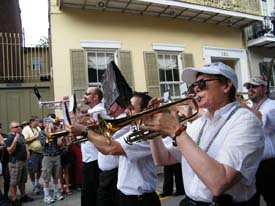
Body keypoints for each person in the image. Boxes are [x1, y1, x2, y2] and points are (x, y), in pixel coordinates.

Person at [143, 62, 264, 206]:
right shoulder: (200, 123)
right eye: (194, 85)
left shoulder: (246, 121)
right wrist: (153, 130)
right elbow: (164, 159)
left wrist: (177, 131)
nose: (196, 89)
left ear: (226, 85)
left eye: (201, 84)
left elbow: (219, 183)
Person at [68, 92, 161, 206]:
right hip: (126, 195)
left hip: (139, 199)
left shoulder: (147, 134)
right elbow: (105, 148)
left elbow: (111, 148)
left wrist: (85, 131)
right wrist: (92, 133)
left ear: (145, 110)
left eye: (131, 108)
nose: (127, 111)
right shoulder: (134, 130)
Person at [243, 76, 275, 206]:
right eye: (248, 87)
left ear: (265, 88)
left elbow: (260, 121)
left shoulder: (272, 106)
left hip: (269, 165)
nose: (250, 89)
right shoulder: (248, 106)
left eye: (254, 86)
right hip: (250, 164)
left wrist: (238, 105)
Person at [79, 86, 107, 206]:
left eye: (87, 94)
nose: (84, 96)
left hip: (94, 158)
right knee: (89, 192)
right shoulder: (92, 111)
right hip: (90, 157)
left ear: (95, 97)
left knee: (89, 193)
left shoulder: (98, 111)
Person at [6, 121, 34, 206]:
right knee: (14, 182)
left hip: (23, 161)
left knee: (22, 180)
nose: (18, 127)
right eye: (16, 127)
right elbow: (10, 151)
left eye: (19, 126)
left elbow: (24, 145)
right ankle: (14, 199)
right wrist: (15, 140)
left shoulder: (21, 136)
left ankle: (23, 196)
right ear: (11, 129)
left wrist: (27, 153)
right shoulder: (10, 138)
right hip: (15, 163)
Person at [39, 117, 64, 204]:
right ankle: (46, 196)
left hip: (56, 156)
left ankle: (56, 193)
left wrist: (59, 134)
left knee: (56, 176)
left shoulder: (55, 131)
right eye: (49, 123)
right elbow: (45, 143)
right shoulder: (42, 133)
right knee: (46, 177)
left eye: (51, 123)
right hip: (47, 157)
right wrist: (49, 132)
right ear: (45, 124)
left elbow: (59, 144)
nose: (51, 124)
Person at [22, 116, 43, 195]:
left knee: (39, 169)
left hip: (40, 152)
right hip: (32, 152)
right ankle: (34, 185)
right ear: (32, 122)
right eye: (37, 121)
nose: (38, 122)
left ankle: (37, 183)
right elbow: (24, 140)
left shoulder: (38, 128)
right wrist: (35, 137)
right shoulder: (26, 129)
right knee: (32, 170)